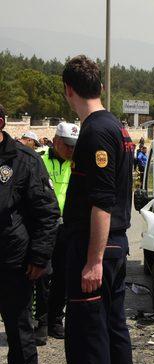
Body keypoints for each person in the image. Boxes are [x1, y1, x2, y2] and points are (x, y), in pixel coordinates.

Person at [61, 55, 136, 364]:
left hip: (98, 249)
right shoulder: (116, 127)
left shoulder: (95, 131)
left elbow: (102, 202)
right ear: (101, 87)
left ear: (68, 90)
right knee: (111, 331)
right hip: (113, 246)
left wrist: (92, 261)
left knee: (87, 339)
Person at [0, 103, 59, 364]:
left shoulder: (24, 161)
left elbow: (48, 214)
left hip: (13, 262)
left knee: (19, 329)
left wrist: (39, 257)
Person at [33, 122, 78, 346]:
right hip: (43, 227)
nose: (71, 151)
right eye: (68, 146)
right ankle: (40, 321)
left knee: (63, 275)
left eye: (74, 147)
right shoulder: (38, 158)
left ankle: (55, 320)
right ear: (57, 141)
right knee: (42, 275)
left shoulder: (77, 162)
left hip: (67, 228)